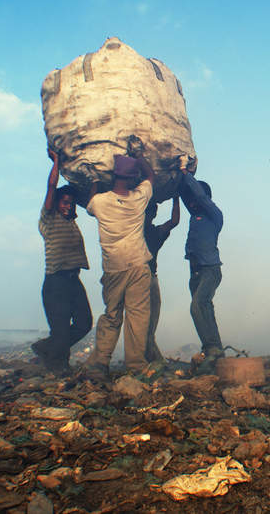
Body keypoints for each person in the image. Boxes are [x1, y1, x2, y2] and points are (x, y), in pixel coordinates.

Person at [81, 152, 156, 381]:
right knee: (138, 316)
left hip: (113, 269)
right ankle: (135, 366)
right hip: (138, 265)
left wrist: (94, 181)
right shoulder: (138, 198)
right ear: (133, 178)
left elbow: (89, 204)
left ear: (114, 175)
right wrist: (140, 156)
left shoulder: (100, 202)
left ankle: (101, 362)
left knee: (112, 315)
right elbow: (151, 175)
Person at [33, 148, 92, 374]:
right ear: (56, 203)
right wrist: (56, 161)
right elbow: (51, 188)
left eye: (70, 202)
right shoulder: (48, 219)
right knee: (60, 330)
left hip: (73, 281)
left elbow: (88, 198)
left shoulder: (71, 222)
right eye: (64, 201)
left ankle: (46, 348)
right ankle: (57, 367)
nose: (67, 205)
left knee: (84, 323)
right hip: (55, 283)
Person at [178, 158, 225, 370]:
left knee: (197, 307)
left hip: (210, 271)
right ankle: (215, 351)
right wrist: (178, 179)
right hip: (195, 272)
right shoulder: (195, 215)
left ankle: (213, 349)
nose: (193, 203)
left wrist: (186, 173)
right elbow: (188, 196)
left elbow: (197, 194)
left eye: (197, 199)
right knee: (206, 309)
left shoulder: (214, 215)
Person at [144, 193, 181, 364]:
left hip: (147, 279)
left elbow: (173, 222)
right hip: (147, 279)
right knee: (148, 323)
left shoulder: (143, 231)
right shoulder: (152, 232)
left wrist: (175, 197)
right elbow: (174, 221)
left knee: (146, 324)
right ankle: (150, 358)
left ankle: (149, 357)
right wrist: (175, 197)